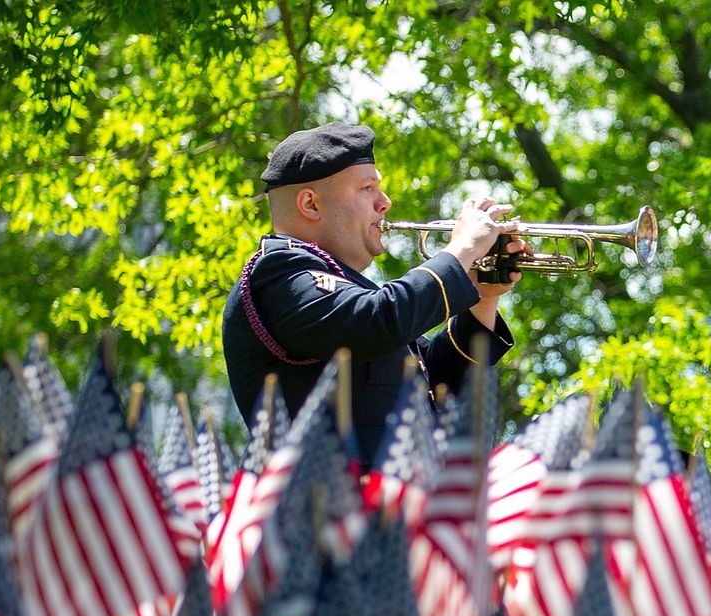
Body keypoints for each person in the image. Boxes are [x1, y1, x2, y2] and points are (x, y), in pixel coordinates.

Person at [221, 121, 527, 464]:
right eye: (367, 188)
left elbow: (440, 387)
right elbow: (377, 320)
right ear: (310, 204)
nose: (385, 202)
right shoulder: (279, 271)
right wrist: (462, 250)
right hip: (326, 508)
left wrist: (482, 296)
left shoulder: (351, 292)